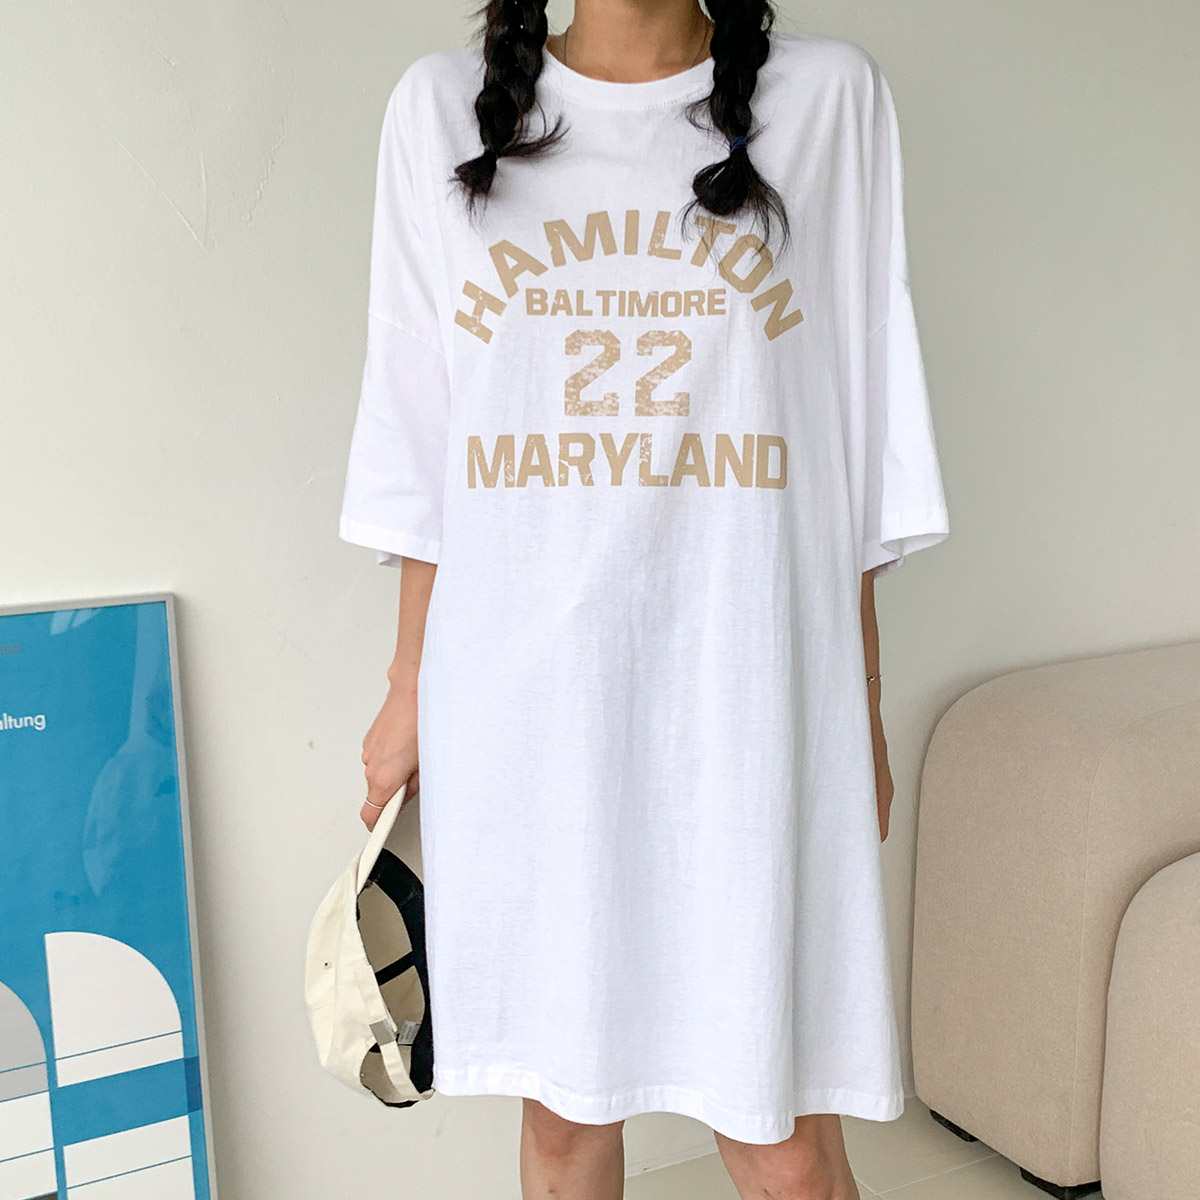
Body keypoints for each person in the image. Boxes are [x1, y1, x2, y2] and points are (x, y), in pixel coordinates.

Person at [338, 0, 950, 1196]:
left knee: (781, 1140)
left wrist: (859, 703)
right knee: (566, 1121)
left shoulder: (828, 101)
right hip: (527, 703)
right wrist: (408, 686)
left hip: (746, 691)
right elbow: (421, 433)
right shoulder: (440, 109)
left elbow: (855, 436)